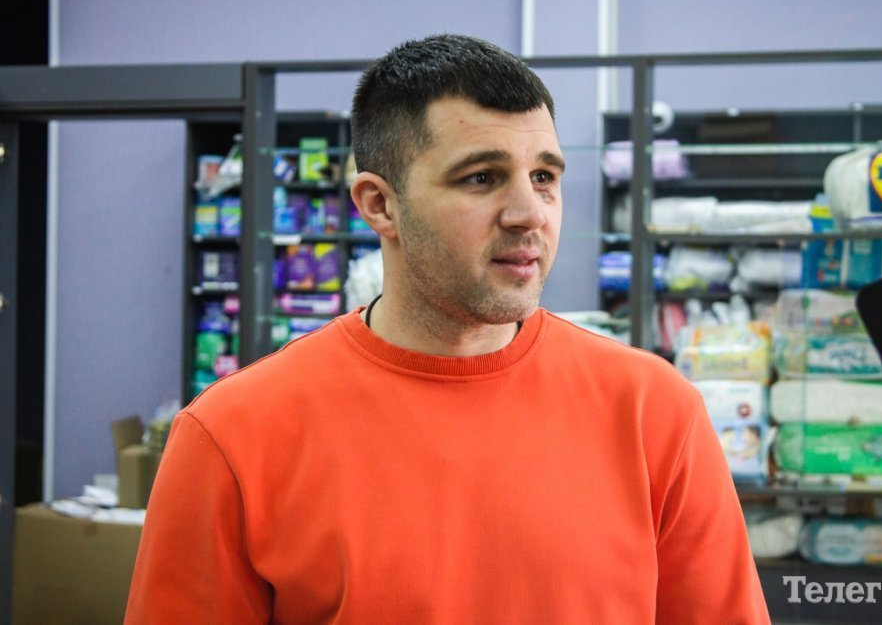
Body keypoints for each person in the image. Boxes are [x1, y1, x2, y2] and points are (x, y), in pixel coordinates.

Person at [125, 34, 769, 624]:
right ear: (380, 204)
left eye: (544, 177)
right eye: (482, 178)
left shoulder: (654, 412)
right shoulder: (232, 436)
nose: (529, 213)